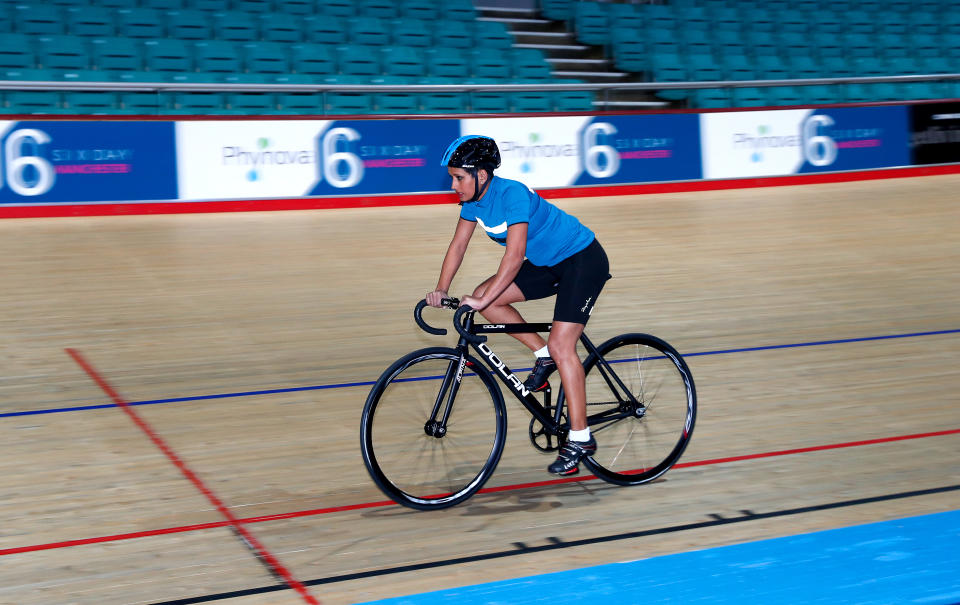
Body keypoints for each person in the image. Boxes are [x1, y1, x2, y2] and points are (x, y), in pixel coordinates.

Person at [425, 135, 611, 476]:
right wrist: (441, 289)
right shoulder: (472, 203)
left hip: (581, 260)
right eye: (452, 178)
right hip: (546, 264)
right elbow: (457, 247)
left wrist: (483, 297)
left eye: (458, 178)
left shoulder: (512, 194)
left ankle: (581, 437)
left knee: (561, 343)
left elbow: (513, 256)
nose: (453, 185)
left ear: (481, 175)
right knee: (486, 300)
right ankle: (542, 356)